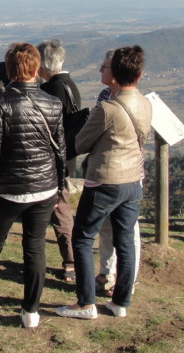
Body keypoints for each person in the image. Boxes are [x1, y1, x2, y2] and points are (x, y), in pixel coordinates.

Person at [0, 43, 64, 330]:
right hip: (44, 186)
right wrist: (60, 185)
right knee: (35, 247)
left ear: (9, 69)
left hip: (7, 188)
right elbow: (60, 150)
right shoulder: (53, 103)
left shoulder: (0, 103)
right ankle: (31, 311)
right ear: (36, 68)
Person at [56, 45, 151, 320]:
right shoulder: (146, 104)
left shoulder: (108, 108)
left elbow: (81, 143)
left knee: (83, 238)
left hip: (105, 180)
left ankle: (86, 302)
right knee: (125, 241)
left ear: (116, 74)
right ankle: (121, 301)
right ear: (139, 74)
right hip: (133, 180)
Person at [37, 39, 79, 284]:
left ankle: (71, 261)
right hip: (65, 158)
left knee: (60, 210)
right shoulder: (69, 85)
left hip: (53, 162)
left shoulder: (53, 89)